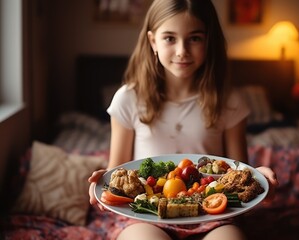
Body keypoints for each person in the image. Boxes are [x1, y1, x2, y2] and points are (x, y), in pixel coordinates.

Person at [88, 0, 278, 239]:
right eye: (169, 38)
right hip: (146, 216)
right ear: (152, 41)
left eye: (195, 38)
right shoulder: (128, 98)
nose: (182, 51)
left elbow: (237, 175)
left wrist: (258, 175)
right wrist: (103, 178)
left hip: (214, 215)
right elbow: (117, 173)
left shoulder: (230, 100)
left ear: (209, 42)